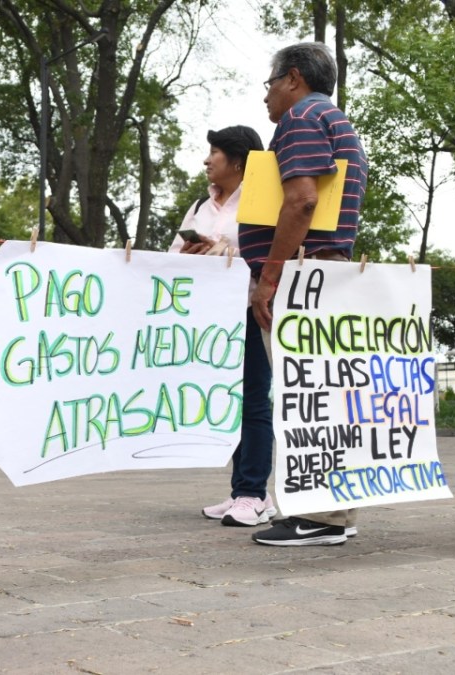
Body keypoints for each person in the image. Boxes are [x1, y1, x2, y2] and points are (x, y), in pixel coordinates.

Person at [241, 42, 368, 546]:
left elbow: (301, 200)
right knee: (321, 399)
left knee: (302, 400)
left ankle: (319, 516)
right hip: (325, 274)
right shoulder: (337, 123)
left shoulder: (299, 119)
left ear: (292, 79)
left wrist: (269, 278)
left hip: (301, 279)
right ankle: (333, 514)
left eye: (270, 83)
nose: (267, 96)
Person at [170, 126, 278, 528]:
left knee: (252, 400)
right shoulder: (201, 205)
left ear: (237, 161)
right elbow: (173, 256)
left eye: (213, 153)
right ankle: (247, 492)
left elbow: (272, 253)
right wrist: (194, 251)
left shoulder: (264, 201)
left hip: (249, 310)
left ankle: (251, 492)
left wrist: (224, 250)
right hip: (211, 317)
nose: (206, 160)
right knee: (231, 403)